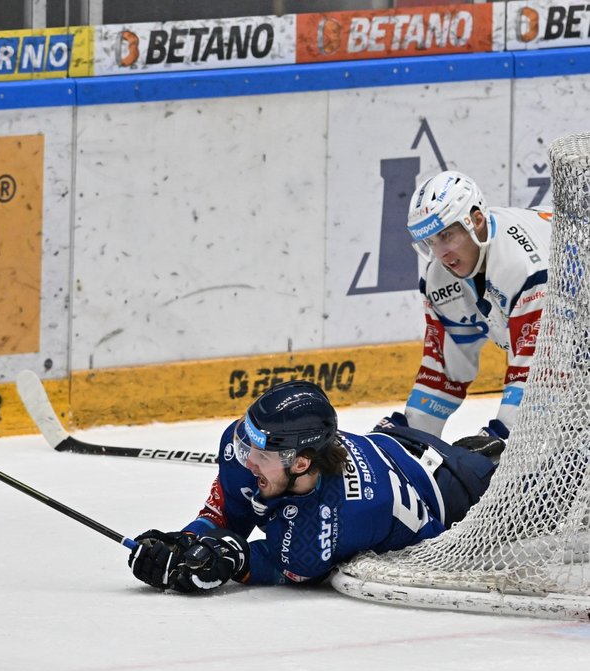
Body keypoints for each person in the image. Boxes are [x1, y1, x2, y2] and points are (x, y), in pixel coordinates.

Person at [128, 380, 501, 592]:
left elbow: (280, 562)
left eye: (259, 454)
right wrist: (183, 543)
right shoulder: (254, 450)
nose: (246, 460)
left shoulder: (330, 525)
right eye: (247, 445)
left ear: (301, 462)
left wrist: (227, 562)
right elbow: (226, 515)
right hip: (403, 443)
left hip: (457, 493)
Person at [384, 170, 552, 447]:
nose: (441, 254)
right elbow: (446, 372)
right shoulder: (439, 277)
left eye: (447, 235)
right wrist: (410, 434)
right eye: (431, 241)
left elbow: (539, 380)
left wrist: (501, 437)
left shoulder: (524, 268)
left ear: (476, 219)